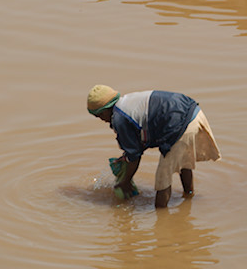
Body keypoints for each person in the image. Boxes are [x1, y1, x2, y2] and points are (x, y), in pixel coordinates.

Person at [86, 85, 221, 208]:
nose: (102, 120)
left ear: (105, 110)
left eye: (100, 116)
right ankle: (189, 196)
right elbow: (140, 140)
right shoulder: (127, 102)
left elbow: (135, 157)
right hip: (194, 112)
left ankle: (161, 219)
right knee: (183, 162)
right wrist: (126, 158)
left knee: (163, 179)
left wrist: (124, 181)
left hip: (179, 125)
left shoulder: (119, 119)